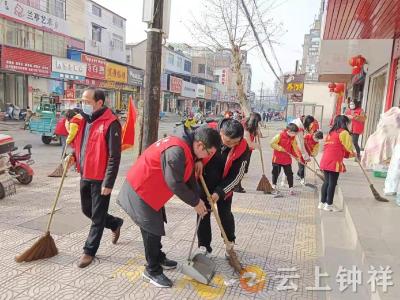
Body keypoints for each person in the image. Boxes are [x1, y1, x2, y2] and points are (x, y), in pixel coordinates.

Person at [116, 126, 221, 288]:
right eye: (209, 153)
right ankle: (152, 270)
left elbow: (189, 177)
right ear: (200, 145)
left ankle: (158, 257)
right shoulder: (177, 151)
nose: (208, 157)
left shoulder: (188, 147)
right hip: (140, 189)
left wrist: (198, 197)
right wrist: (195, 202)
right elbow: (175, 183)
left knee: (155, 225)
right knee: (152, 230)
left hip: (151, 190)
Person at [67, 88, 123, 268]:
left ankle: (89, 251)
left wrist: (109, 182)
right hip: (85, 174)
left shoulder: (111, 123)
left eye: (88, 102)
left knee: (97, 218)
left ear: (99, 103)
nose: (84, 105)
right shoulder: (83, 120)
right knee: (87, 210)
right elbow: (80, 144)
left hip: (100, 179)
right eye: (82, 101)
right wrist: (73, 157)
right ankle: (115, 222)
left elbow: (115, 156)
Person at [196, 119, 250, 256]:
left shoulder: (243, 149)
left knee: (225, 215)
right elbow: (193, 147)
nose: (229, 145)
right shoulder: (207, 133)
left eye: (234, 142)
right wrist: (197, 161)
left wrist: (219, 193)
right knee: (203, 214)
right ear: (220, 133)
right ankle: (204, 246)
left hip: (224, 188)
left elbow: (236, 177)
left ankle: (229, 241)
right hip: (204, 184)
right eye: (226, 141)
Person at [319, 115, 354, 212]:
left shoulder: (331, 132)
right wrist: (354, 154)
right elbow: (348, 147)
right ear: (344, 123)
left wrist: (348, 154)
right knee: (332, 183)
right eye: (348, 123)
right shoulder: (344, 133)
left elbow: (337, 146)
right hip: (334, 161)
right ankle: (329, 204)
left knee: (326, 182)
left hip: (325, 159)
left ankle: (322, 203)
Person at [270, 123, 302, 195]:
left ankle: (291, 188)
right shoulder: (280, 135)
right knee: (275, 173)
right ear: (289, 131)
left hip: (287, 159)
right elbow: (272, 143)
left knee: (289, 174)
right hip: (277, 158)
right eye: (294, 133)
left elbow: (294, 148)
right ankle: (273, 185)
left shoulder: (293, 138)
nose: (295, 135)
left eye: (295, 133)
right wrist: (280, 148)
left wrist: (298, 157)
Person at [235, 112, 262, 193]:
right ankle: (236, 186)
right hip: (242, 150)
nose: (258, 124)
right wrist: (258, 146)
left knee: (243, 169)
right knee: (240, 169)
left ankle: (237, 185)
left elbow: (259, 135)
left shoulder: (252, 127)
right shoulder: (245, 127)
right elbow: (249, 143)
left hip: (248, 150)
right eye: (258, 122)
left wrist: (257, 130)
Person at [292, 115, 314, 185]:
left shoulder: (299, 121)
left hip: (296, 143)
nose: (310, 125)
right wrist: (306, 156)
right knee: (302, 160)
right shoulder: (299, 127)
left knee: (302, 161)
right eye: (310, 124)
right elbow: (300, 144)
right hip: (295, 145)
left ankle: (299, 174)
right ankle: (302, 178)